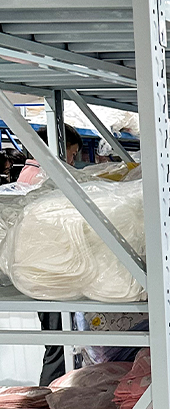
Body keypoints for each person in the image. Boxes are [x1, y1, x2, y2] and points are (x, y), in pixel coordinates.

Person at [18, 124, 84, 385]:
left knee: (59, 344)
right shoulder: (42, 178)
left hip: (44, 272)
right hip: (49, 274)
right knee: (58, 346)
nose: (73, 161)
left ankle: (54, 394)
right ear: (58, 148)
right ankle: (49, 397)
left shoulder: (31, 173)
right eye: (72, 154)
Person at [17, 124, 83, 185]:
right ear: (60, 149)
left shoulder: (29, 169)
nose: (72, 163)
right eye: (73, 154)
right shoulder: (43, 176)